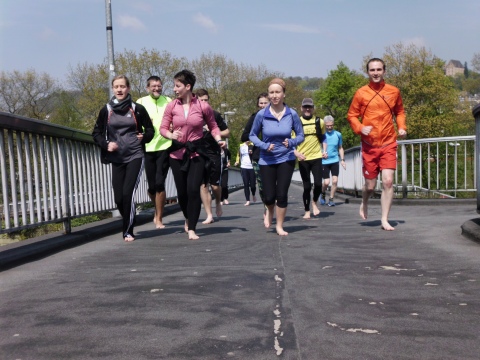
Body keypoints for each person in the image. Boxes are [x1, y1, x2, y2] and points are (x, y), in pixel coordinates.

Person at [160, 70, 224, 240]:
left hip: (197, 152)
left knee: (193, 189)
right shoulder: (172, 106)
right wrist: (170, 135)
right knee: (182, 193)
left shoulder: (203, 106)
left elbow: (213, 126)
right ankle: (188, 217)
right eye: (174, 85)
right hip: (177, 154)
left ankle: (192, 228)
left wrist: (218, 140)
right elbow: (163, 128)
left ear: (188, 87)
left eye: (177, 86)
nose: (174, 89)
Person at [347, 58, 407, 231]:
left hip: (388, 142)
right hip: (369, 145)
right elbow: (351, 115)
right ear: (368, 72)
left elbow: (399, 112)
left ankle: (384, 219)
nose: (375, 73)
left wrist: (402, 127)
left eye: (379, 69)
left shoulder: (393, 91)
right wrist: (360, 128)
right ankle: (364, 201)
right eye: (372, 70)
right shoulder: (361, 93)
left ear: (384, 71)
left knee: (388, 182)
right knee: (370, 186)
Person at [92, 75, 154, 242]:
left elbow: (150, 130)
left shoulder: (137, 109)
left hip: (135, 155)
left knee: (128, 193)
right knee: (118, 197)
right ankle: (130, 216)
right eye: (116, 87)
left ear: (128, 89)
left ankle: (128, 230)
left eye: (122, 86)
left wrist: (144, 137)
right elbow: (96, 133)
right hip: (117, 158)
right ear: (113, 89)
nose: (119, 89)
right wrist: (106, 144)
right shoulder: (106, 110)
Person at [249, 78, 304, 236]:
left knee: (281, 194)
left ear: (283, 94)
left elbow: (301, 135)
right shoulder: (262, 114)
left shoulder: (291, 114)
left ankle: (279, 225)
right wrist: (264, 145)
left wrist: (292, 142)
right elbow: (252, 135)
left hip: (286, 158)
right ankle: (269, 209)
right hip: (266, 159)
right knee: (269, 196)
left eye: (277, 92)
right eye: (271, 92)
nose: (274, 95)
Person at [136, 76, 172, 229]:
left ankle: (159, 218)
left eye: (159, 86)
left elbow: (176, 119)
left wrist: (173, 127)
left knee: (159, 183)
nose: (156, 88)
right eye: (153, 86)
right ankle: (157, 209)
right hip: (148, 147)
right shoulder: (140, 102)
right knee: (151, 186)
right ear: (147, 88)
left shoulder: (169, 101)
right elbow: (134, 123)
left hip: (165, 145)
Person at [195, 89, 230, 224]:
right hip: (199, 153)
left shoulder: (214, 114)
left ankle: (218, 202)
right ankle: (209, 214)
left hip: (214, 152)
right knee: (203, 185)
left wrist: (216, 131)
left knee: (215, 186)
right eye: (201, 100)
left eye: (206, 100)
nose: (204, 102)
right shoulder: (193, 115)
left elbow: (227, 132)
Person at [293, 98, 327, 219]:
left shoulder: (320, 122)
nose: (307, 109)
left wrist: (325, 150)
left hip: (317, 156)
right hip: (303, 158)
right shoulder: (296, 123)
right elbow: (292, 142)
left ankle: (314, 201)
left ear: (313, 108)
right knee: (307, 186)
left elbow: (323, 138)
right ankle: (307, 210)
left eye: (310, 107)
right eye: (305, 107)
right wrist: (296, 153)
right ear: (301, 108)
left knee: (318, 184)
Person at [241, 93, 270, 206]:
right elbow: (244, 136)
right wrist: (255, 136)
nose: (263, 105)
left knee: (272, 185)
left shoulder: (277, 116)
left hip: (274, 154)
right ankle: (267, 208)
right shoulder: (254, 118)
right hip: (258, 155)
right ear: (258, 105)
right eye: (261, 103)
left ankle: (272, 206)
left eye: (265, 103)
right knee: (262, 185)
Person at [321, 115, 346, 207]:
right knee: (326, 182)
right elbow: (317, 148)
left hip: (335, 160)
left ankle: (331, 199)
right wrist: (321, 154)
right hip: (324, 161)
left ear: (333, 124)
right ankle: (323, 194)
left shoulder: (338, 134)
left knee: (335, 181)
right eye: (327, 126)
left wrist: (342, 160)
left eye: (331, 125)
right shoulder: (322, 135)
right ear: (325, 125)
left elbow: (340, 148)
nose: (329, 127)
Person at [234, 141, 257, 206]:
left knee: (253, 185)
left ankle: (253, 194)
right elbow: (238, 155)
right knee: (246, 184)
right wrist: (237, 162)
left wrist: (252, 154)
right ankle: (248, 200)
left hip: (252, 167)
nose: (247, 140)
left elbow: (257, 154)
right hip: (244, 167)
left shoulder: (253, 145)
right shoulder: (241, 146)